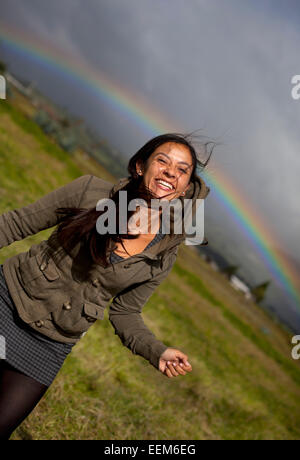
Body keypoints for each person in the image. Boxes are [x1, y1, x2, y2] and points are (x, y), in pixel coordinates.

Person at [0, 132, 213, 439]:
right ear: (141, 166)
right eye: (163, 160)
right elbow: (16, 224)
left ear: (185, 188)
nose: (171, 172)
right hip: (8, 297)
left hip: (51, 343)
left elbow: (126, 313)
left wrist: (158, 351)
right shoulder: (90, 191)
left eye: (182, 170)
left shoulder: (165, 252)